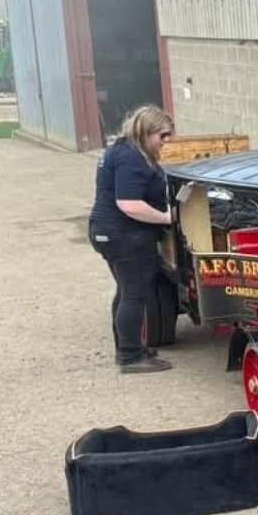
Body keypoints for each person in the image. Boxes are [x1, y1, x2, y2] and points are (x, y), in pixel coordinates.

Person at [88, 105, 177, 374]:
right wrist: (166, 218)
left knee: (126, 291)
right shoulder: (131, 159)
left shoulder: (119, 150)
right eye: (162, 136)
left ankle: (128, 348)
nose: (165, 141)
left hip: (107, 231)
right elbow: (129, 204)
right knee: (135, 294)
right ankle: (130, 357)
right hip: (125, 235)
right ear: (146, 131)